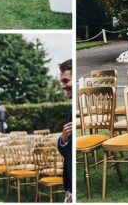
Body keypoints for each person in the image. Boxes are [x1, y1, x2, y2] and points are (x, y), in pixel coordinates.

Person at [58, 59, 73, 202]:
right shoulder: (70, 111)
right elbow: (67, 151)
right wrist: (63, 139)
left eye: (66, 81)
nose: (63, 86)